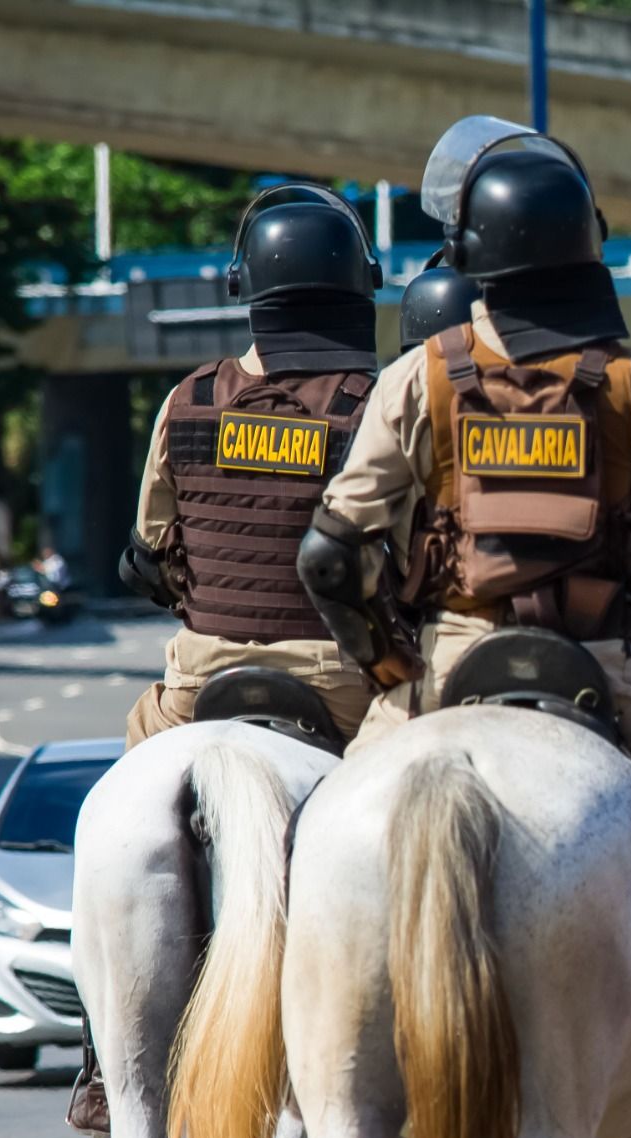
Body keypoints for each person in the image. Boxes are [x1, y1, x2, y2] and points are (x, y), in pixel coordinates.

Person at [304, 124, 631, 1138]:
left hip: (445, 675)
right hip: (600, 682)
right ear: (584, 252)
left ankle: (294, 1046)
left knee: (317, 841)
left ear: (473, 256)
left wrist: (391, 661)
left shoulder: (420, 380)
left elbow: (330, 556)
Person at [115, 181, 382, 746]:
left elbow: (147, 557)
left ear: (244, 285)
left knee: (133, 765)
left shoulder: (188, 400)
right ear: (362, 286)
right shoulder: (372, 407)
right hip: (340, 681)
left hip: (201, 677)